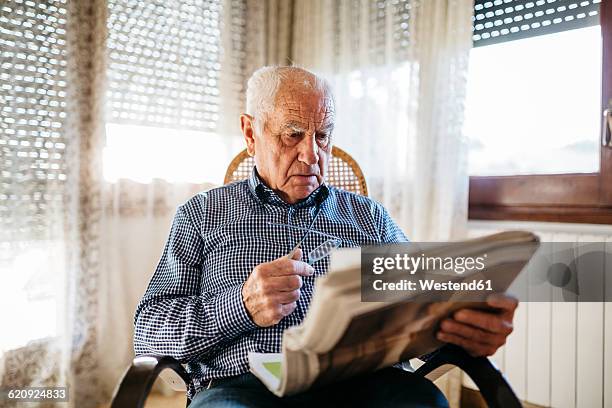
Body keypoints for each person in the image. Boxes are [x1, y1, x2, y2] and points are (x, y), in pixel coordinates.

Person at [133, 66, 517, 407]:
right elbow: (147, 332)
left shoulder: (371, 217)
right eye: (293, 134)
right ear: (251, 133)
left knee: (424, 402)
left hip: (366, 383)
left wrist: (464, 328)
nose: (311, 154)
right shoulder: (201, 214)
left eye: (322, 136)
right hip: (244, 385)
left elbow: (418, 308)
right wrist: (241, 305)